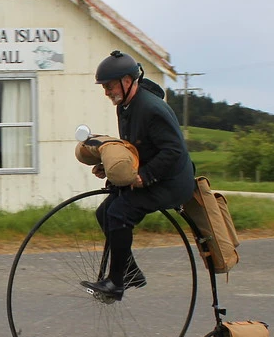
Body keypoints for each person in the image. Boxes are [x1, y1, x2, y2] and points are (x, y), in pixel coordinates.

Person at [80, 50, 195, 301]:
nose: (107, 92)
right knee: (104, 213)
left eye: (109, 86)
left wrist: (146, 175)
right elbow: (135, 146)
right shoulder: (125, 106)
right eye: (104, 88)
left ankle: (116, 283)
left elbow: (174, 150)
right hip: (151, 172)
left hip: (171, 181)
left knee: (120, 213)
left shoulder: (152, 109)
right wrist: (111, 169)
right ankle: (130, 271)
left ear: (127, 80)